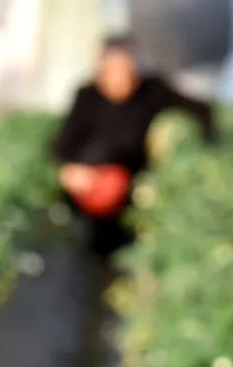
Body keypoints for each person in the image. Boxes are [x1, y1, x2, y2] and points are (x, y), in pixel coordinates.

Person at [54, 35, 217, 258]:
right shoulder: (87, 96)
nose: (116, 75)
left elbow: (201, 111)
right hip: (90, 194)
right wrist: (74, 171)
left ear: (132, 65)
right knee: (89, 250)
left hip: (134, 192)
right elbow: (63, 144)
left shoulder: (152, 91)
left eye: (122, 66)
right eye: (110, 67)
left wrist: (201, 148)